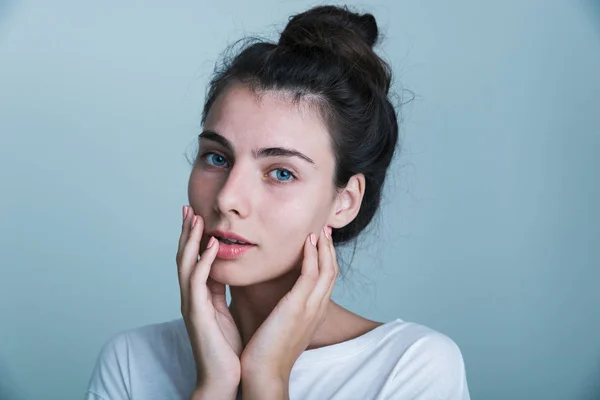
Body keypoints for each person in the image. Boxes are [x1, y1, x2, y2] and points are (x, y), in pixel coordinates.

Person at [85, 5, 470, 400]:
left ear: (345, 200)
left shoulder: (411, 369)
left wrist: (267, 379)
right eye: (217, 158)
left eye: (281, 172)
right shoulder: (133, 362)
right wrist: (215, 385)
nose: (228, 198)